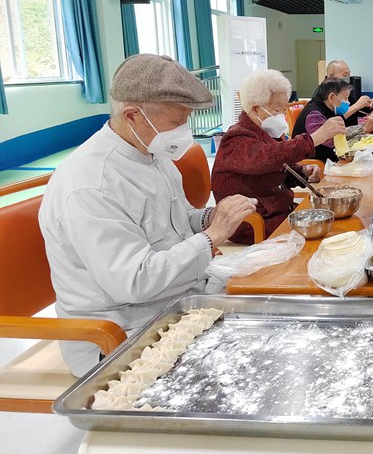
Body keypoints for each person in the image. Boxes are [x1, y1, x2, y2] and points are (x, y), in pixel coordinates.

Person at [39, 54, 258, 376]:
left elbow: (176, 219)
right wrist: (212, 236)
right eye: (176, 121)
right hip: (122, 330)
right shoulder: (90, 185)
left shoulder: (151, 155)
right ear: (132, 115)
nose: (184, 130)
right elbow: (135, 282)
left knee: (277, 300)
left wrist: (210, 218)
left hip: (177, 298)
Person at [212, 69, 345, 244]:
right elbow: (268, 158)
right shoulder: (236, 139)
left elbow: (277, 168)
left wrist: (303, 172)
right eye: (277, 109)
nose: (282, 115)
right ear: (256, 109)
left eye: (285, 108)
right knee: (327, 235)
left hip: (279, 210)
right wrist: (315, 138)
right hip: (255, 222)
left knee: (336, 223)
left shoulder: (266, 131)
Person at [292, 78, 373, 161]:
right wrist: (363, 129)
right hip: (317, 164)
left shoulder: (329, 108)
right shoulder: (313, 114)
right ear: (332, 97)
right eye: (345, 97)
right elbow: (332, 140)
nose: (348, 102)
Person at [313, 59, 373, 126]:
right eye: (345, 75)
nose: (347, 78)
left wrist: (368, 105)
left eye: (349, 75)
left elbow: (358, 111)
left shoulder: (343, 89)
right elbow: (331, 123)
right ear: (331, 76)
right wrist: (357, 105)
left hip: (352, 132)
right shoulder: (321, 94)